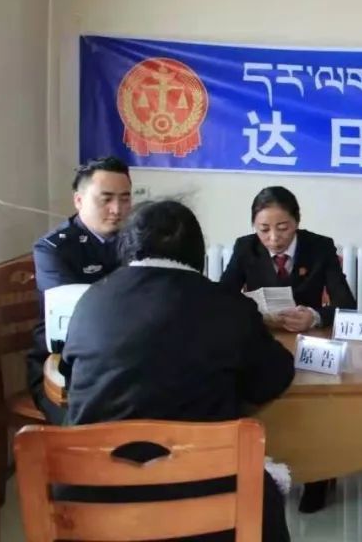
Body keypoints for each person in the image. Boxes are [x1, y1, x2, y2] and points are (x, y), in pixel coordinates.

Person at [61, 200, 295, 542]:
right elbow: (273, 377)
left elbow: (71, 380)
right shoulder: (228, 306)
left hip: (90, 502)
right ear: (197, 252)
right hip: (205, 505)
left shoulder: (91, 301)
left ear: (128, 246)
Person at [219, 185, 356, 513]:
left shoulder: (319, 247)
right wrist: (257, 315)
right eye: (263, 229)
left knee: (317, 403)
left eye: (282, 228)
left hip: (311, 340)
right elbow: (223, 298)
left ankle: (319, 476)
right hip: (264, 339)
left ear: (297, 222)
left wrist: (314, 315)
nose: (273, 238)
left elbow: (346, 304)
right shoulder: (245, 248)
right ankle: (266, 465)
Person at [28, 156, 132, 424]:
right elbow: (75, 320)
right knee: (89, 427)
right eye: (106, 199)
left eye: (125, 199)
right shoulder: (54, 249)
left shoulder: (137, 241)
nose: (117, 209)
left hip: (124, 358)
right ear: (79, 200)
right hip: (64, 361)